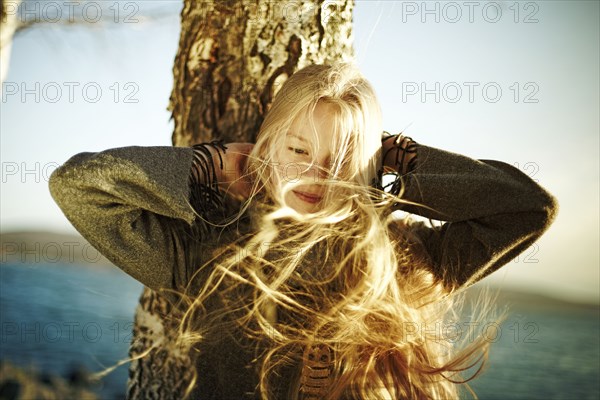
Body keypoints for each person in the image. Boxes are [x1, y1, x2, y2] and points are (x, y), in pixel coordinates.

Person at [49, 63, 558, 399]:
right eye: (298, 151)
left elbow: (528, 208)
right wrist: (202, 165)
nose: (317, 175)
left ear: (367, 166)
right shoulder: (208, 249)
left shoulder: (404, 257)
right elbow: (78, 187)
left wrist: (404, 159)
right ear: (266, 146)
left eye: (340, 160)